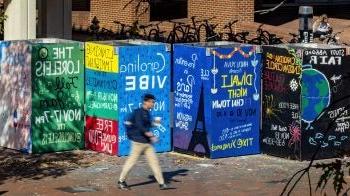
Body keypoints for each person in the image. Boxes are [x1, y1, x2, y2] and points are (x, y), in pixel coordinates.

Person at [118, 93, 168, 190]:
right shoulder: (138, 112)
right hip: (138, 143)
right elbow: (141, 127)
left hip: (147, 144)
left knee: (154, 162)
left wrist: (155, 123)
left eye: (154, 102)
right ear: (146, 102)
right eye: (152, 102)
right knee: (131, 162)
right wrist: (152, 135)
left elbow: (147, 124)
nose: (153, 104)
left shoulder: (147, 112)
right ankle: (121, 181)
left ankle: (162, 184)